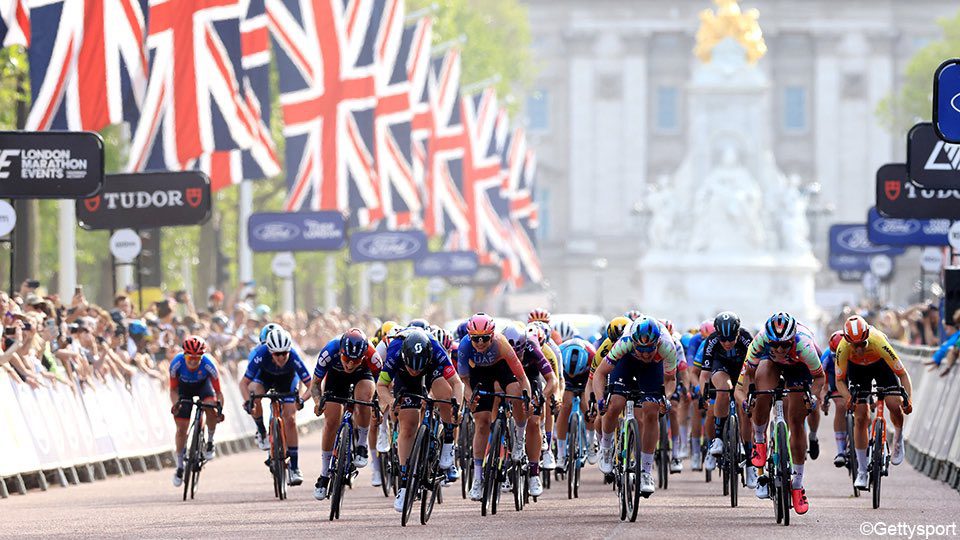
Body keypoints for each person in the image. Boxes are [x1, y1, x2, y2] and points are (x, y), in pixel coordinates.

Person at [744, 312, 824, 514]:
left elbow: (819, 378)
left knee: (796, 422)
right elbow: (748, 374)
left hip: (798, 366)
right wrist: (749, 395)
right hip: (769, 363)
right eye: (775, 345)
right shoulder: (760, 340)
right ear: (768, 341)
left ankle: (797, 485)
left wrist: (812, 397)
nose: (780, 349)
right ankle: (760, 441)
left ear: (792, 340)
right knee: (761, 393)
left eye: (785, 345)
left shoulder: (805, 346)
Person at [377, 328, 463, 513]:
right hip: (404, 380)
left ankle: (448, 443)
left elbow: (457, 383)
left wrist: (458, 408)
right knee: (408, 426)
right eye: (411, 367)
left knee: (446, 396)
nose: (415, 371)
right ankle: (404, 485)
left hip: (432, 371)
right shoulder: (395, 352)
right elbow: (381, 386)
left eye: (418, 368)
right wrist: (392, 402)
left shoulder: (436, 350)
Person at [593, 317, 678, 496]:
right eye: (642, 350)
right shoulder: (624, 343)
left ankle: (645, 471)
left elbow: (670, 381)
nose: (645, 355)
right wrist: (601, 399)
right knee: (615, 403)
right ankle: (606, 448)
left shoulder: (667, 347)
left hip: (652, 369)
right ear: (634, 343)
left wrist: (666, 398)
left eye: (649, 350)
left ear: (657, 343)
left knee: (651, 410)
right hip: (626, 362)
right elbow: (600, 374)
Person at [458, 313, 531, 501]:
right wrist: (468, 395)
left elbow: (522, 378)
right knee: (481, 423)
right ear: (469, 337)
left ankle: (519, 438)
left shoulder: (501, 344)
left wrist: (526, 398)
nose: (480, 342)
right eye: (476, 338)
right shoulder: (465, 346)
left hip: (502, 369)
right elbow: (464, 380)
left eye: (485, 338)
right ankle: (477, 479)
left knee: (515, 392)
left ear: (492, 335)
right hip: (479, 374)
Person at [835, 315, 913, 490]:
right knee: (861, 417)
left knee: (894, 404)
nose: (860, 348)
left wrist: (908, 399)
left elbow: (903, 374)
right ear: (848, 342)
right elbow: (840, 381)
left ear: (867, 336)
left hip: (881, 366)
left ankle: (898, 440)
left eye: (863, 343)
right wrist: (848, 398)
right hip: (857, 371)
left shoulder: (878, 341)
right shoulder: (843, 348)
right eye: (855, 345)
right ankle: (862, 470)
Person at [311, 328, 382, 500]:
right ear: (340, 352)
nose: (350, 364)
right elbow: (315, 384)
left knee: (364, 398)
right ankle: (324, 474)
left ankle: (362, 446)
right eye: (346, 359)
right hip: (336, 379)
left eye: (355, 361)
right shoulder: (329, 350)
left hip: (362, 377)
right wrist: (318, 401)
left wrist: (377, 406)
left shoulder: (373, 357)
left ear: (363, 357)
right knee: (331, 422)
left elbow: (381, 386)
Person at [239, 327, 312, 486]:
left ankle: (294, 467)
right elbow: (244, 383)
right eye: (276, 354)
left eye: (284, 353)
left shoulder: (293, 356)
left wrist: (302, 399)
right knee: (256, 392)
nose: (281, 357)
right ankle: (261, 430)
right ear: (270, 351)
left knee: (290, 419)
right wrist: (247, 402)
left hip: (287, 381)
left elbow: (311, 384)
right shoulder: (260, 354)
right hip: (265, 379)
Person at [700, 312, 754, 486]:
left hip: (742, 370)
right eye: (723, 340)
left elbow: (754, 370)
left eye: (731, 339)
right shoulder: (712, 341)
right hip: (721, 368)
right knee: (723, 389)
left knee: (744, 407)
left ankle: (750, 461)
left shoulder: (746, 339)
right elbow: (704, 374)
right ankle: (717, 440)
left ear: (738, 333)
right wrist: (704, 395)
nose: (727, 343)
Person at [502, 324, 557, 496]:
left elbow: (552, 380)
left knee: (533, 421)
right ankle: (504, 458)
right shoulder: (499, 350)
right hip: (508, 377)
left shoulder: (532, 348)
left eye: (519, 352)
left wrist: (542, 397)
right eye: (514, 352)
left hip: (531, 377)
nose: (517, 356)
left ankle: (534, 474)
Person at [169, 336, 223, 487]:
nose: (193, 361)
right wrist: (176, 404)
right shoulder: (176, 363)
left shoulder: (209, 364)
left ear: (202, 356)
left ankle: (210, 441)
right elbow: (172, 390)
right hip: (183, 390)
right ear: (184, 354)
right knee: (181, 430)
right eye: (189, 357)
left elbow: (218, 392)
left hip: (204, 387)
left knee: (210, 407)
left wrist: (219, 409)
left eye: (197, 358)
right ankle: (180, 466)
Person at [555, 337, 595, 471]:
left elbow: (596, 380)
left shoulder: (592, 355)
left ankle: (591, 442)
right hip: (564, 375)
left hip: (586, 377)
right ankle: (560, 454)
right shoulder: (559, 352)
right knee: (565, 406)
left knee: (586, 405)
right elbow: (555, 378)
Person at [820, 331, 849, 468]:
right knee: (841, 405)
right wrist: (822, 399)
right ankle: (841, 451)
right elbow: (820, 382)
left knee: (863, 403)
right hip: (834, 378)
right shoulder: (826, 356)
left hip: (852, 375)